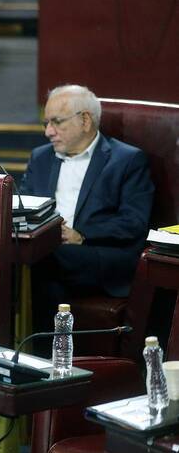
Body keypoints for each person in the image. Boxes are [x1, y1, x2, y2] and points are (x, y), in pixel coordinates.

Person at [22, 84, 154, 329]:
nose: (48, 132)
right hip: (50, 253)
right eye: (46, 123)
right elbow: (24, 206)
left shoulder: (127, 160)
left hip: (101, 253)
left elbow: (134, 222)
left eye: (56, 122)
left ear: (85, 120)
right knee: (36, 267)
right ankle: (41, 346)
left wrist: (81, 235)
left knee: (43, 257)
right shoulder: (40, 157)